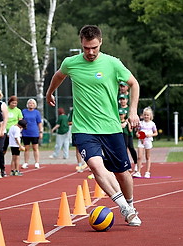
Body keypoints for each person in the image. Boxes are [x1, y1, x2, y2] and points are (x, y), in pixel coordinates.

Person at [45, 25, 141, 226]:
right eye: (86, 48)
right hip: (84, 128)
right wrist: (49, 92)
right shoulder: (70, 63)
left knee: (123, 173)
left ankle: (131, 204)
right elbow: (58, 76)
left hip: (111, 128)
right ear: (81, 43)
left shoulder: (113, 64)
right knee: (96, 166)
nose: (90, 52)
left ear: (101, 43)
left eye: (94, 48)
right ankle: (125, 208)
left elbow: (134, 83)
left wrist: (133, 111)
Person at [133, 107, 158, 178]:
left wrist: (150, 135)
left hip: (148, 141)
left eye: (147, 115)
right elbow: (137, 132)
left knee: (147, 157)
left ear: (150, 116)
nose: (146, 116)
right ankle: (138, 172)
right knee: (139, 157)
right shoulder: (140, 123)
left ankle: (147, 172)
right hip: (141, 141)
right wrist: (138, 135)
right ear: (143, 115)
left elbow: (156, 133)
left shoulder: (152, 124)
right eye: (145, 115)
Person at [118, 94, 138, 172]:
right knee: (124, 148)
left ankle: (136, 163)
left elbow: (131, 117)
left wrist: (126, 123)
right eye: (121, 99)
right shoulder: (118, 109)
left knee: (131, 147)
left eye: (124, 99)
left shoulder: (129, 109)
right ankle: (127, 164)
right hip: (121, 131)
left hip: (128, 131)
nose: (123, 101)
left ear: (127, 100)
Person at [21, 99, 43, 169]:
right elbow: (21, 121)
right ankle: (26, 162)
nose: (31, 104)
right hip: (25, 132)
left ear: (35, 105)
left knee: (35, 148)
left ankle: (37, 162)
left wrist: (41, 132)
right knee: (26, 148)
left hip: (34, 132)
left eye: (32, 103)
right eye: (30, 103)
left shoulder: (37, 112)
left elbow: (39, 123)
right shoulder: (24, 111)